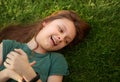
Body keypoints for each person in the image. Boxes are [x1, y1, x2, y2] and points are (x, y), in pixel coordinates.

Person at [0, 10, 90, 82]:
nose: (61, 38)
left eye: (66, 41)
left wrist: (28, 73)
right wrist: (7, 73)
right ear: (46, 22)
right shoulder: (8, 45)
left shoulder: (56, 61)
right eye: (61, 30)